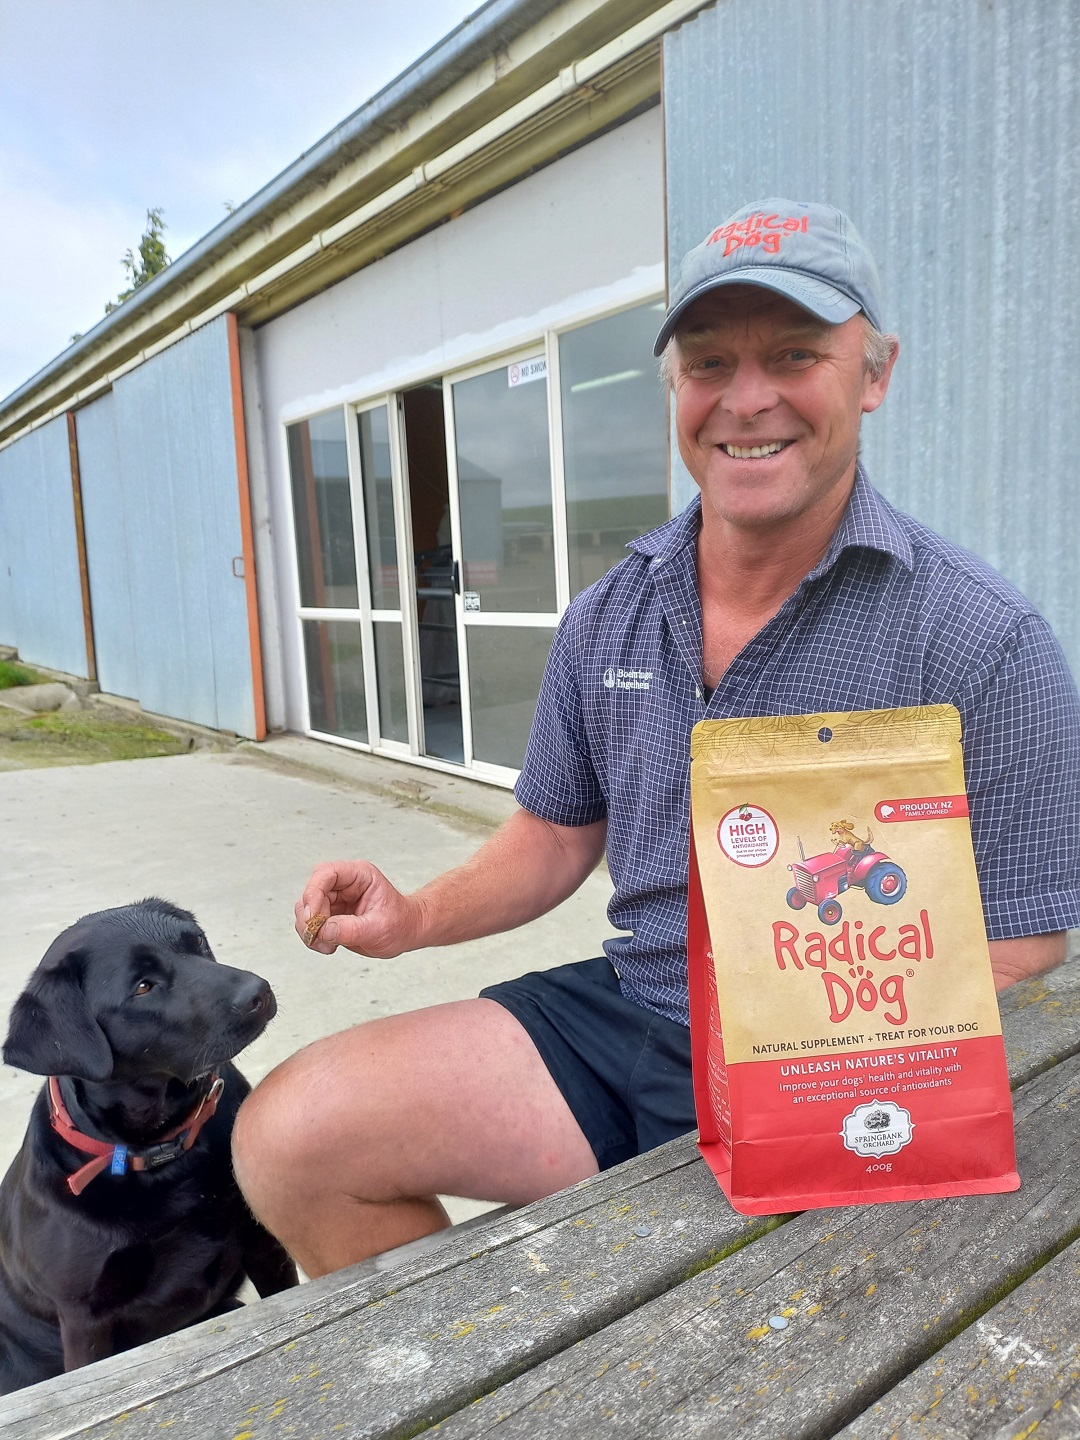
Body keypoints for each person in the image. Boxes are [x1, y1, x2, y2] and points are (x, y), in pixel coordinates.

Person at [232, 198, 1080, 1278]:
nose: (748, 397)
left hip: (858, 1062)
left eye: (795, 354)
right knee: (290, 1136)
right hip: (639, 1014)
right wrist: (414, 916)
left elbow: (1023, 948)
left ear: (873, 372)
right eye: (709, 360)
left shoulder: (982, 642)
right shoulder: (611, 614)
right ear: (676, 386)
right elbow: (551, 838)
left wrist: (815, 1082)